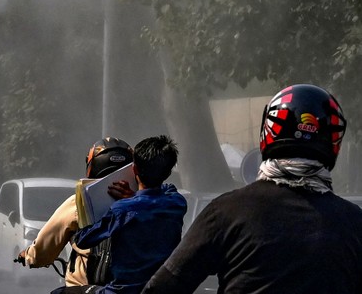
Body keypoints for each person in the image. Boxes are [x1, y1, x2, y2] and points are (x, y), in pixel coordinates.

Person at [143, 84, 362, 293]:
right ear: (333, 140)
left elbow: (162, 287)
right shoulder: (354, 223)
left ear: (268, 131)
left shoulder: (227, 210)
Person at [70, 135, 186, 294]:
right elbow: (165, 189)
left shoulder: (122, 210)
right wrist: (134, 196)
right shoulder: (176, 203)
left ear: (134, 169)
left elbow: (83, 240)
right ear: (168, 171)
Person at [18, 137, 134, 287]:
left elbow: (45, 247)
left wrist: (29, 255)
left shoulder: (80, 202)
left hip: (83, 288)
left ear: (92, 165)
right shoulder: (143, 201)